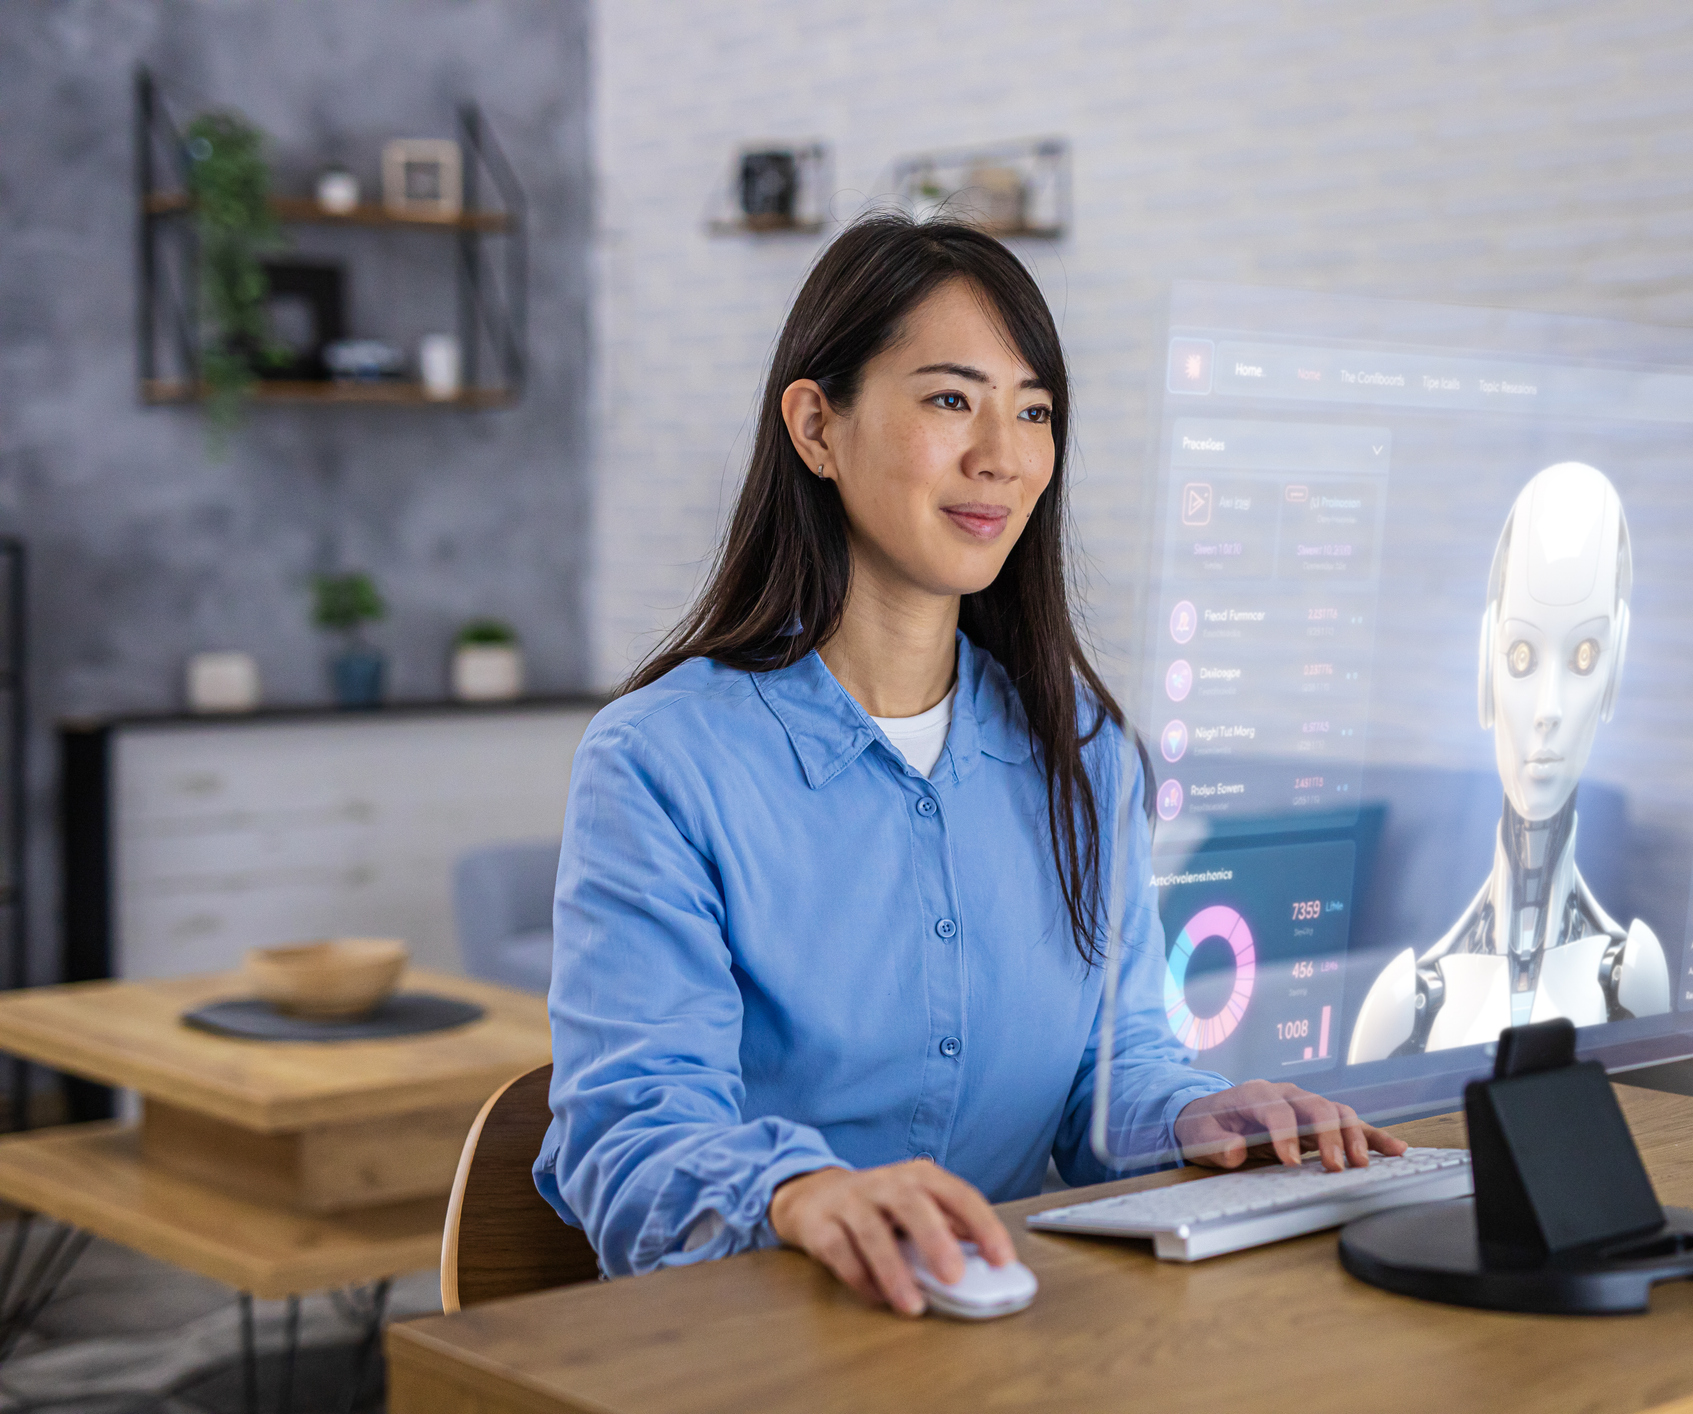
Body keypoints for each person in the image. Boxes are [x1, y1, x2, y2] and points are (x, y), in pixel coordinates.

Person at [537, 213, 1405, 1316]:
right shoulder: (660, 762)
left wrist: (1199, 1117)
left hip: (1013, 1340)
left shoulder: (1086, 751)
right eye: (952, 398)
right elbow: (636, 1136)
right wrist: (799, 1194)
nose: (1003, 451)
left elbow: (1112, 1071)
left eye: (1033, 410)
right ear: (816, 424)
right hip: (752, 1343)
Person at [1346, 461, 1670, 1062]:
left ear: (1615, 669)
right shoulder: (1409, 1002)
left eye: (1584, 655)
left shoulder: (1629, 976)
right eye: (1522, 654)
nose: (1547, 710)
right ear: (1485, 658)